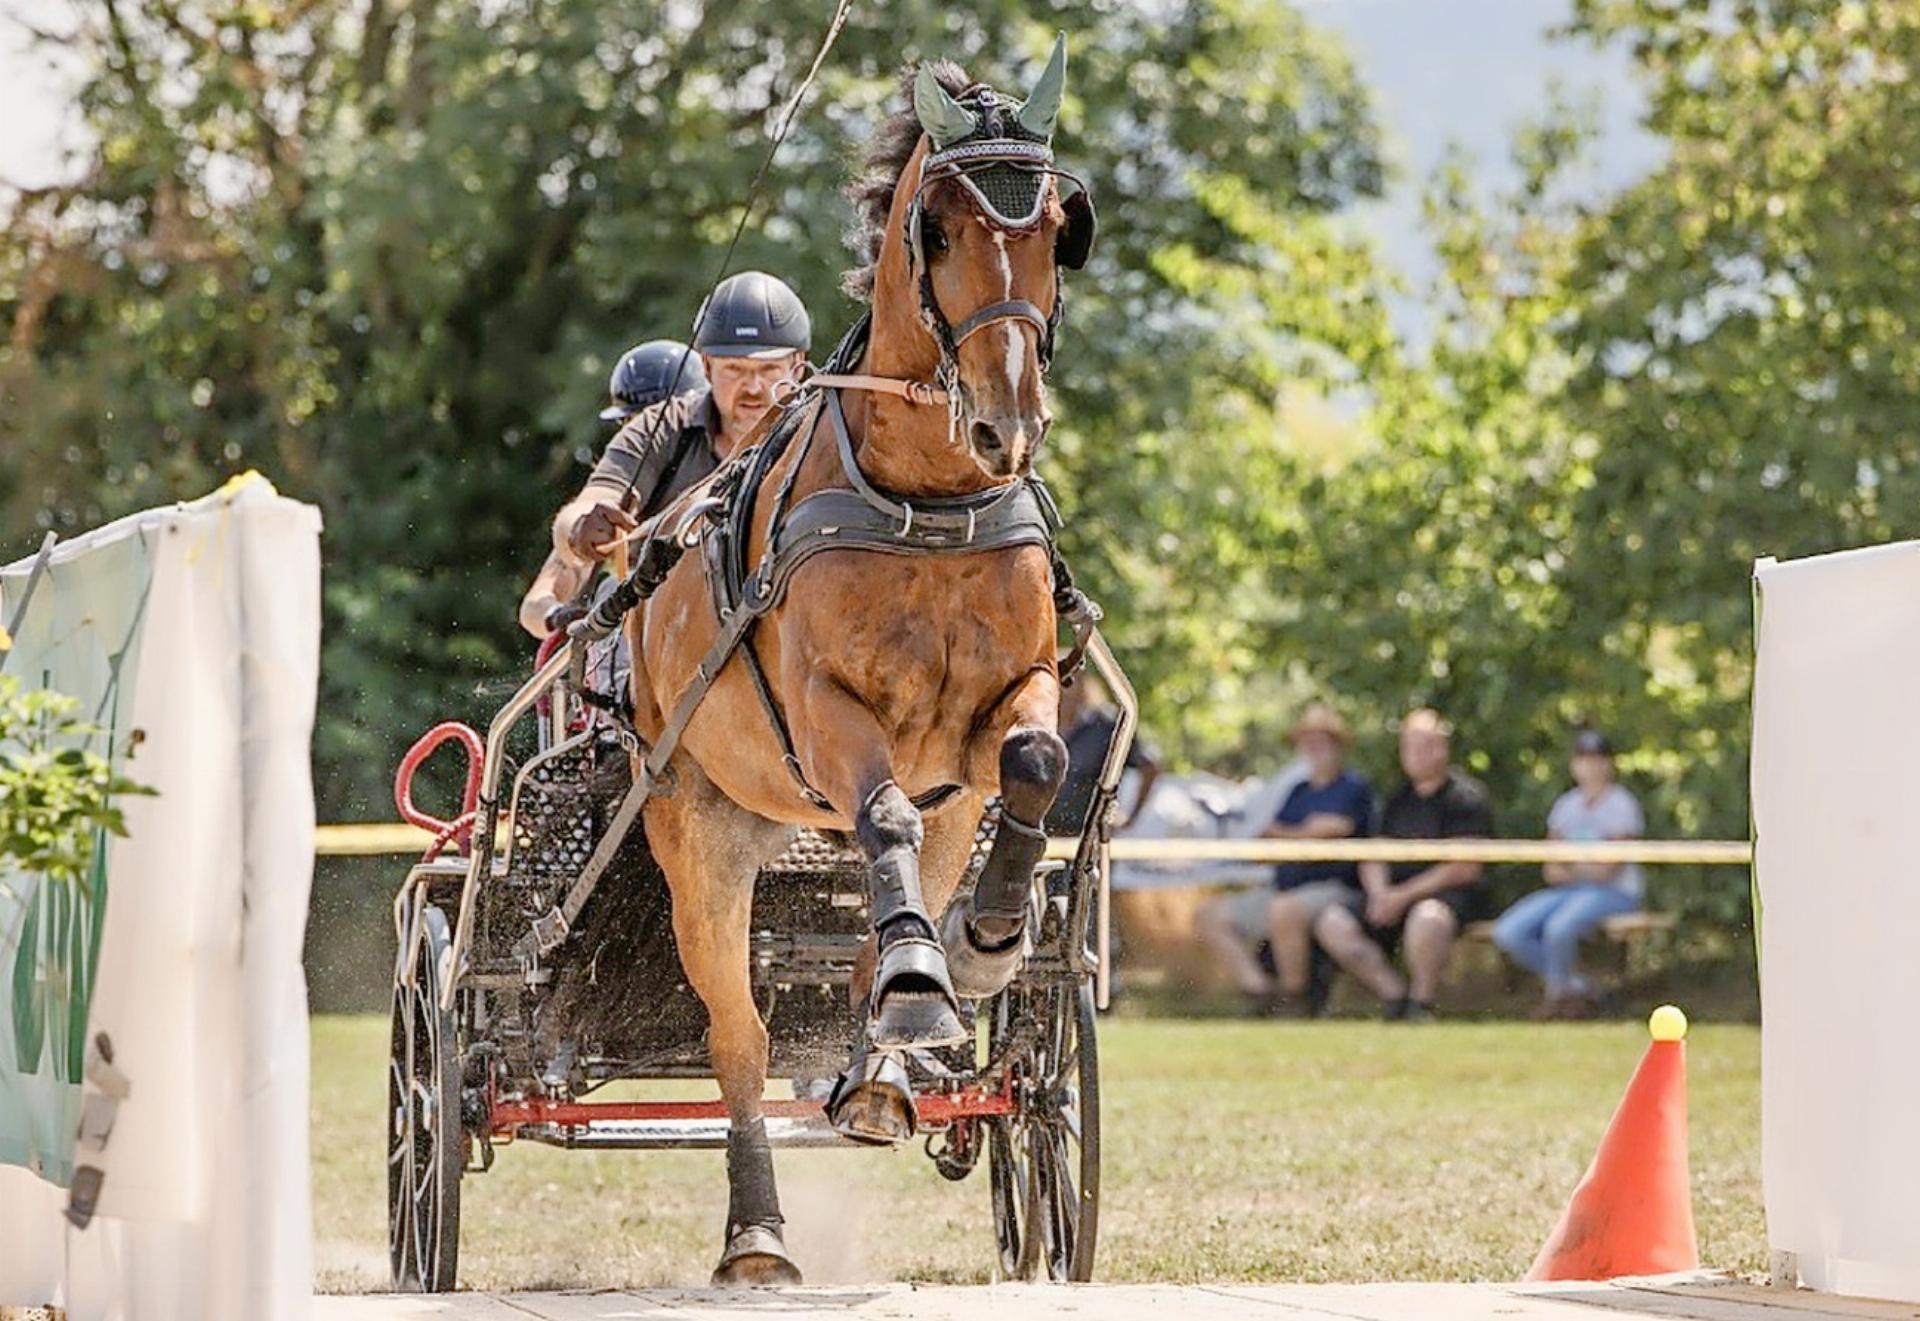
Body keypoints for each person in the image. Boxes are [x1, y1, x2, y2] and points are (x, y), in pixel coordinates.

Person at [517, 272, 812, 639]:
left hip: (792, 634)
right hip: (665, 644)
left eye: (768, 370)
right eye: (735, 370)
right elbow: (589, 505)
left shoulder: (824, 433)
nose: (753, 387)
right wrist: (581, 530)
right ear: (706, 367)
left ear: (798, 367)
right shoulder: (660, 426)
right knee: (612, 599)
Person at [519, 339, 710, 639]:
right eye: (630, 423)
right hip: (633, 647)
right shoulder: (607, 511)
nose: (636, 434)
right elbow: (533, 606)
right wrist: (559, 615)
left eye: (644, 422)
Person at [1312, 708, 1493, 1021]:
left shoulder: (1467, 798)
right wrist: (1381, 894)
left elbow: (1465, 866)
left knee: (1428, 917)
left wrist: (1403, 896)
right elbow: (1374, 853)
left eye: (1422, 744)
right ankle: (1394, 997)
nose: (1413, 754)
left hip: (1447, 897)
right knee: (1332, 922)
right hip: (1393, 897)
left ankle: (1421, 1004)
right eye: (1407, 745)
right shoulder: (1396, 800)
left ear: (1441, 748)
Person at [1196, 704, 1371, 1017]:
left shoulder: (1352, 787)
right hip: (1283, 886)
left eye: (1321, 740)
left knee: (1285, 909)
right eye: (1307, 741)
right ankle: (1260, 993)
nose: (1313, 748)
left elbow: (1331, 831)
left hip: (1333, 889)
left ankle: (1296, 999)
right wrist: (1302, 832)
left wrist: (1293, 834)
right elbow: (1268, 834)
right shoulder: (1298, 791)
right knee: (1210, 915)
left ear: (1338, 745)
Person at [1493, 729, 1644, 1019]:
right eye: (1584, 760)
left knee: (1559, 928)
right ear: (1574, 765)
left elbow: (1609, 870)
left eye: (1598, 760)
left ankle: (1556, 998)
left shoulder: (1622, 804)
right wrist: (1581, 866)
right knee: (1509, 932)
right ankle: (1581, 987)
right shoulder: (1566, 805)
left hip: (1616, 893)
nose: (1591, 767)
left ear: (1610, 764)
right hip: (1567, 892)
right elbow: (1550, 869)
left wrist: (1571, 866)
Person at [1046, 674, 1160, 837]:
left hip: (1089, 838)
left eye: (1068, 681)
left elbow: (1149, 767)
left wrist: (1130, 817)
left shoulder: (1106, 725)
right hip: (1040, 835)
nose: (1063, 689)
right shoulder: (1040, 723)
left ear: (1082, 684)